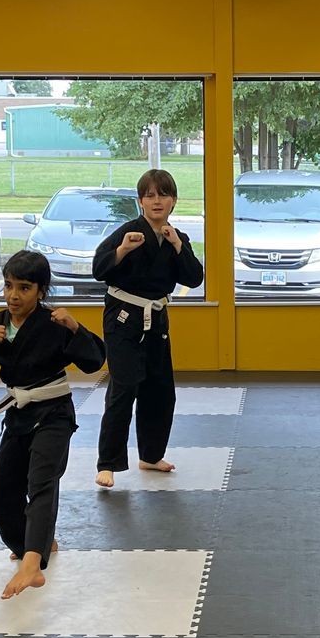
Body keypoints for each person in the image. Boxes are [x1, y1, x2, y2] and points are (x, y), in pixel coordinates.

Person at [0, 249, 107, 600]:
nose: (13, 295)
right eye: (9, 286)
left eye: (24, 288)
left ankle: (32, 563)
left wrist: (76, 328)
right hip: (18, 415)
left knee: (41, 483)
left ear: (41, 291)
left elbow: (95, 362)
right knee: (0, 492)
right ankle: (33, 544)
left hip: (54, 413)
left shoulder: (55, 323)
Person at [91, 169, 203, 490]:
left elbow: (194, 278)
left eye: (163, 195)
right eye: (150, 195)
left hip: (157, 319)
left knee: (160, 388)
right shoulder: (127, 233)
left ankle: (151, 455)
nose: (157, 201)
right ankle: (108, 463)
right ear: (140, 201)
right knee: (124, 388)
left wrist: (179, 246)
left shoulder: (175, 238)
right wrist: (123, 249)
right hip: (123, 317)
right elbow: (100, 269)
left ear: (173, 201)